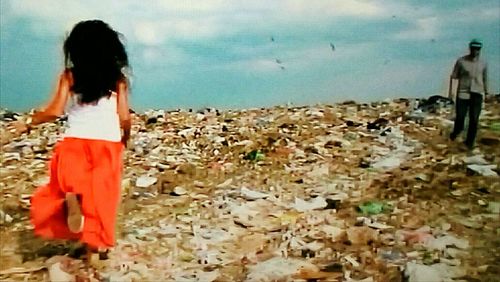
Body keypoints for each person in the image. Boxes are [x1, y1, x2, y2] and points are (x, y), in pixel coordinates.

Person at [12, 20, 131, 257]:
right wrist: (125, 137)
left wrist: (28, 122)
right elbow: (124, 117)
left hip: (75, 142)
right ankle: (95, 247)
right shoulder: (118, 80)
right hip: (107, 143)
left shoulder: (69, 76)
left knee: (68, 184)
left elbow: (54, 110)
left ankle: (72, 198)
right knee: (102, 197)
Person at [448, 39, 489, 150]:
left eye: (478, 49)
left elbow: (485, 78)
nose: (476, 51)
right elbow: (453, 77)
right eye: (474, 48)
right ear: (470, 48)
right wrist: (450, 93)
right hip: (463, 93)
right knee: (460, 118)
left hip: (477, 93)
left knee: (474, 119)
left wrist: (487, 92)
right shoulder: (461, 61)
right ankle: (454, 134)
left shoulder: (483, 63)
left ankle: (469, 143)